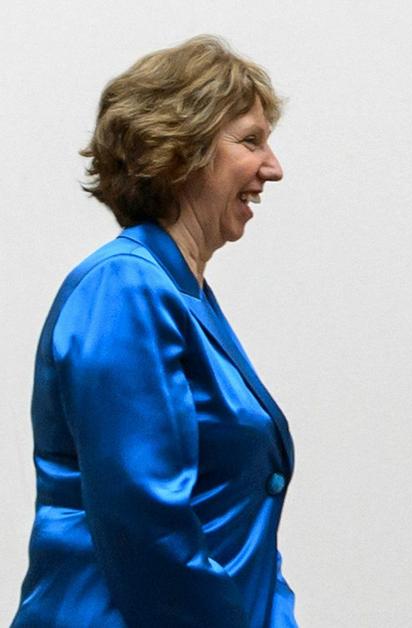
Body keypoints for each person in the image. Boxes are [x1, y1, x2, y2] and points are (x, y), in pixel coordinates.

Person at [13, 36, 296, 627]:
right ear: (182, 151)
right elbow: (147, 523)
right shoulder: (124, 289)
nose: (273, 167)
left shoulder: (180, 292)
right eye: (250, 140)